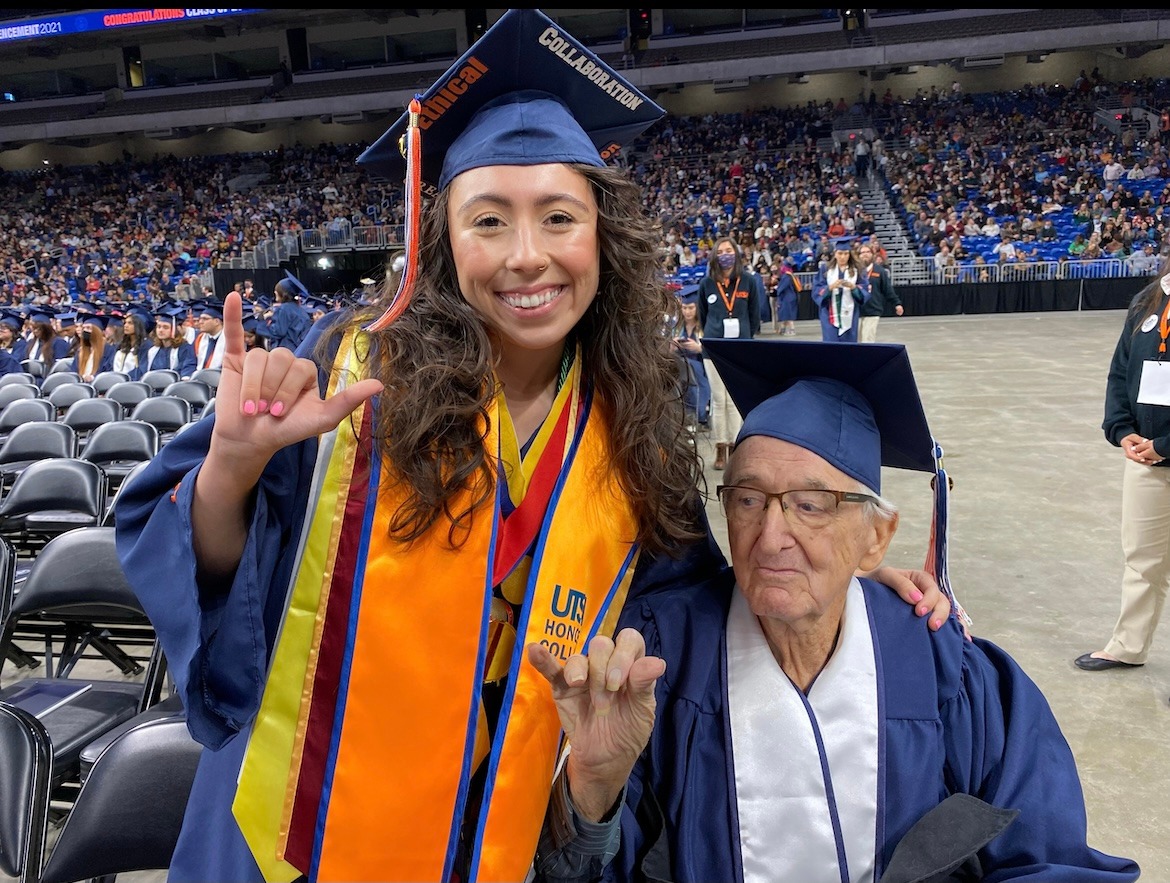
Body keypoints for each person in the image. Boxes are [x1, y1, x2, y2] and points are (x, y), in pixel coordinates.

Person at [114, 10, 950, 883]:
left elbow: (692, 599)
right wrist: (232, 468)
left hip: (498, 836)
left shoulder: (634, 419)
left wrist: (841, 568)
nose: (527, 257)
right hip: (295, 835)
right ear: (439, 236)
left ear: (603, 235)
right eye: (488, 221)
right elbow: (213, 582)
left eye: (558, 217)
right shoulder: (342, 366)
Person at [595, 338, 1142, 883]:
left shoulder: (942, 665)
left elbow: (1045, 855)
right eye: (747, 499)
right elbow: (593, 862)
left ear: (877, 539)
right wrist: (591, 796)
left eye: (811, 506)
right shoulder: (661, 657)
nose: (770, 536)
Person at [1077, 256, 1170, 673]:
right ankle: (1128, 646)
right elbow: (1120, 373)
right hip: (1146, 459)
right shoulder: (1147, 302)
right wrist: (1120, 427)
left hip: (1162, 448)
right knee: (1142, 557)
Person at [697, 235, 763, 470]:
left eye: (729, 250)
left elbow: (755, 313)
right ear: (715, 256)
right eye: (721, 251)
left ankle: (737, 446)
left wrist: (747, 337)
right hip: (714, 349)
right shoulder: (707, 284)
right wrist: (711, 336)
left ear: (736, 253)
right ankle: (720, 447)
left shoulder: (748, 281)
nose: (725, 254)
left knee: (734, 400)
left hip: (740, 348)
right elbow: (702, 315)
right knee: (718, 399)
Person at [811, 237, 868, 343]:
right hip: (829, 314)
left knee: (848, 346)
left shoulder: (858, 270)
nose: (843, 257)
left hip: (850, 313)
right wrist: (830, 288)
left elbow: (864, 289)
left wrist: (853, 287)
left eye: (846, 253)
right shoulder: (826, 269)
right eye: (840, 253)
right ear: (835, 253)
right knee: (831, 345)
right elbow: (817, 289)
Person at [671, 287, 709, 431]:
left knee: (693, 369)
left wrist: (699, 348)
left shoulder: (704, 326)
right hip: (681, 365)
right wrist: (673, 346)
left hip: (701, 365)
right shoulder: (676, 327)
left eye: (691, 308)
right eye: (684, 308)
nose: (687, 312)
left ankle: (699, 414)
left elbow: (711, 350)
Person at [857, 241, 903, 343]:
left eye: (868, 252)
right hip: (856, 311)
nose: (865, 254)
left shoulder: (879, 271)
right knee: (855, 342)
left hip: (873, 311)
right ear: (858, 255)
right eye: (862, 252)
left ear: (872, 254)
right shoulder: (854, 271)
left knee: (868, 341)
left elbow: (887, 289)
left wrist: (897, 303)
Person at [144, 304, 198, 379]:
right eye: (159, 327)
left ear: (174, 330)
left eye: (165, 327)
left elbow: (187, 369)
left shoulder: (185, 348)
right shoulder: (153, 351)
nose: (161, 330)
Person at [264, 272, 313, 351]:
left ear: (283, 293)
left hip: (285, 350)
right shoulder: (301, 310)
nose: (275, 292)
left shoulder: (283, 308)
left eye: (277, 290)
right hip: (298, 349)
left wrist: (267, 322)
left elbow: (279, 331)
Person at [71, 312, 114, 381]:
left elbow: (109, 372)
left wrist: (93, 378)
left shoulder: (109, 350)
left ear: (97, 331)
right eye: (83, 328)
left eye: (88, 328)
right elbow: (73, 371)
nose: (85, 331)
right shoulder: (80, 351)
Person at [113, 309, 152, 379]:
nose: (126, 325)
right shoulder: (122, 345)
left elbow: (143, 369)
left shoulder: (146, 346)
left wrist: (124, 378)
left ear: (138, 325)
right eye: (125, 323)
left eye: (130, 323)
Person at [192, 301, 226, 371]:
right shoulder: (199, 338)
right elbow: (191, 361)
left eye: (205, 319)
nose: (200, 322)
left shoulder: (229, 340)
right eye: (200, 319)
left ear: (217, 321)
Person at [772, 262, 800, 337]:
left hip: (787, 298)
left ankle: (792, 330)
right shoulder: (790, 275)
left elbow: (782, 288)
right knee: (785, 315)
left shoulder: (786, 276)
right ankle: (783, 330)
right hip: (789, 297)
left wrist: (776, 289)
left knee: (788, 315)